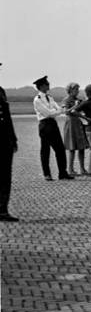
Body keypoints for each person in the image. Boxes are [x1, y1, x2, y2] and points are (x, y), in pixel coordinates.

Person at [32, 76, 74, 181]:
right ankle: (47, 174)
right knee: (45, 150)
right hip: (45, 124)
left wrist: (59, 111)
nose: (48, 85)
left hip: (52, 124)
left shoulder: (50, 97)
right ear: (41, 86)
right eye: (46, 84)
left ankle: (62, 173)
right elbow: (48, 113)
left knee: (60, 149)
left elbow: (57, 109)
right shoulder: (38, 100)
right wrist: (59, 111)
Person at [0, 70, 19, 222]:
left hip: (5, 141)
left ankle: (2, 210)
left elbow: (7, 118)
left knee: (5, 176)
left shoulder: (1, 91)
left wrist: (13, 139)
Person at [62, 82, 89, 175]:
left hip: (78, 123)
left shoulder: (78, 100)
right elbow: (66, 112)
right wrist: (75, 106)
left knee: (81, 147)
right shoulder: (66, 100)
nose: (77, 91)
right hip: (71, 124)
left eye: (78, 89)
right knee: (72, 147)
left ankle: (82, 168)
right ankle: (70, 169)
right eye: (75, 89)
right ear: (70, 90)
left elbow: (81, 111)